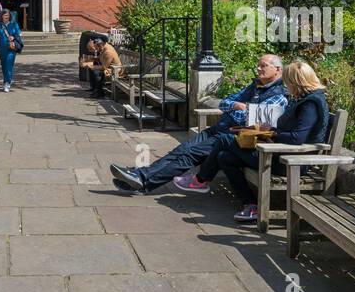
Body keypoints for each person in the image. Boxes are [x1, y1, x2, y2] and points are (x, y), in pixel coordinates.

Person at [109, 53, 287, 193]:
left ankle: (142, 182)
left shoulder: (278, 95)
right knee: (180, 150)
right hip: (220, 128)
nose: (258, 69)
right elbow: (225, 102)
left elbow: (254, 120)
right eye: (258, 65)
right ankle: (140, 175)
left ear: (277, 69)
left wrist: (241, 108)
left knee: (189, 155)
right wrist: (236, 106)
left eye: (263, 66)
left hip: (234, 137)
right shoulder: (255, 86)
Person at [182, 59, 330, 223]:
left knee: (224, 140)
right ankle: (251, 205)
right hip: (279, 154)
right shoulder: (303, 99)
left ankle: (201, 180)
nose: (286, 85)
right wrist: (265, 130)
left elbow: (297, 137)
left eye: (287, 81)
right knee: (224, 157)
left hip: (290, 162)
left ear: (297, 81)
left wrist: (272, 133)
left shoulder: (310, 104)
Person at [0, 8, 23, 92]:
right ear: (1, 16)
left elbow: (19, 33)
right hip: (2, 48)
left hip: (11, 48)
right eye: (5, 15)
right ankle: (6, 80)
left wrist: (14, 36)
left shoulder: (14, 24)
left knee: (9, 65)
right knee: (4, 66)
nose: (6, 17)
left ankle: (7, 83)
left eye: (8, 15)